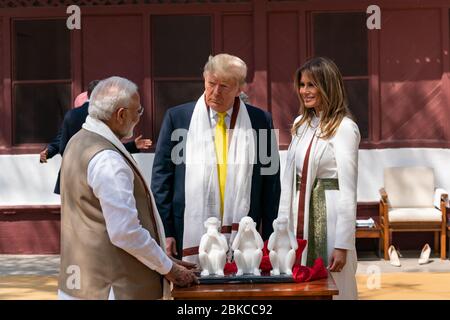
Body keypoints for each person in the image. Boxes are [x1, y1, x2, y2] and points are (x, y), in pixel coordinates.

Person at [58, 76, 198, 300]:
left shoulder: (79, 140)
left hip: (80, 282)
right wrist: (168, 268)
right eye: (138, 111)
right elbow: (125, 232)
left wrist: (162, 256)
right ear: (121, 114)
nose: (138, 117)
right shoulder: (107, 160)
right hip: (112, 287)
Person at [151, 53, 281, 263]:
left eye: (224, 86)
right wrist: (166, 231)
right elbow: (161, 179)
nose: (215, 92)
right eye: (211, 83)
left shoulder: (260, 121)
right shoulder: (178, 118)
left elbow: (271, 182)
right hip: (187, 228)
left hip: (245, 229)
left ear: (240, 89)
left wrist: (268, 236)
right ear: (204, 79)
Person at [277, 57, 360, 299]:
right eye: (302, 85)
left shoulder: (344, 128)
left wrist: (343, 244)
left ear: (328, 86)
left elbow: (349, 190)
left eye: (312, 85)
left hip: (330, 216)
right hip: (298, 213)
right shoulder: (300, 124)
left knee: (334, 285)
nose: (304, 91)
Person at [40, 80, 152, 194]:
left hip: (71, 175)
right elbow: (108, 147)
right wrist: (133, 146)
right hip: (100, 174)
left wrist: (49, 151)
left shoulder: (71, 115)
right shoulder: (107, 116)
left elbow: (62, 143)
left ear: (87, 94)